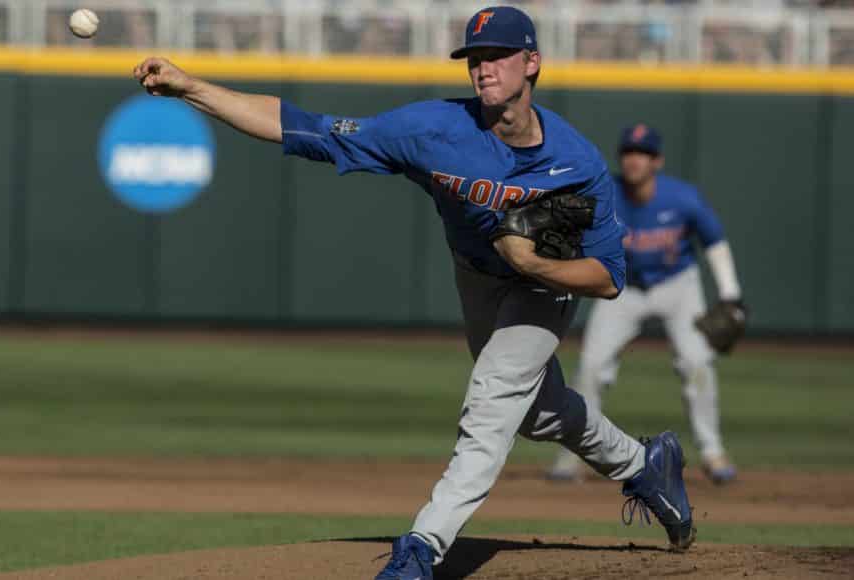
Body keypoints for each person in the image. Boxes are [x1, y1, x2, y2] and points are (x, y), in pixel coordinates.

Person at [134, 7, 695, 579]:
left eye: (497, 56)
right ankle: (644, 463)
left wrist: (537, 266)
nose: (483, 69)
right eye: (474, 59)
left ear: (532, 63)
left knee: (494, 394)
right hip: (475, 274)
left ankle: (423, 547)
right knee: (538, 413)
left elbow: (609, 275)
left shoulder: (577, 163)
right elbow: (306, 128)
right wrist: (190, 87)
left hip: (542, 288)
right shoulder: (430, 130)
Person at [549, 124, 744, 485]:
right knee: (591, 367)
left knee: (697, 362)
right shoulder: (604, 193)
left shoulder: (682, 198)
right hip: (622, 287)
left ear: (657, 161)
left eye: (643, 153)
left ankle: (713, 452)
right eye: (628, 152)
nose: (634, 159)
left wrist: (730, 294)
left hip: (677, 286)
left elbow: (714, 241)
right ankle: (569, 458)